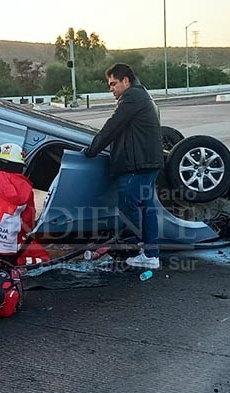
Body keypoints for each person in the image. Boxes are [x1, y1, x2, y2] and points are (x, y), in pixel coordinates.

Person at [85, 63, 164, 269]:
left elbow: (112, 126)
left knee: (128, 205)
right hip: (148, 163)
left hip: (137, 166)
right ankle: (150, 253)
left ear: (125, 81)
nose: (111, 89)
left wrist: (92, 150)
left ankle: (141, 248)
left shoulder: (131, 97)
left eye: (113, 84)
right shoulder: (144, 96)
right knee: (147, 208)